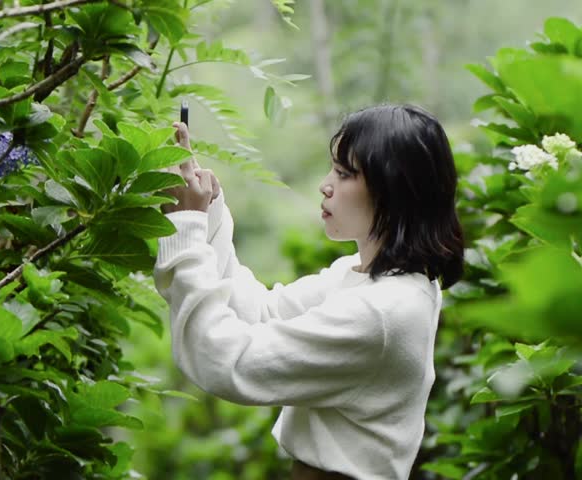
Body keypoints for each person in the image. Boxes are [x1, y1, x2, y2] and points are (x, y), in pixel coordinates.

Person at [153, 104, 465, 480]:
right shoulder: (370, 280)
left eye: (345, 173)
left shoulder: (383, 312)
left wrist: (186, 227)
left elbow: (232, 360)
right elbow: (262, 313)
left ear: (394, 189)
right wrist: (207, 213)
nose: (326, 185)